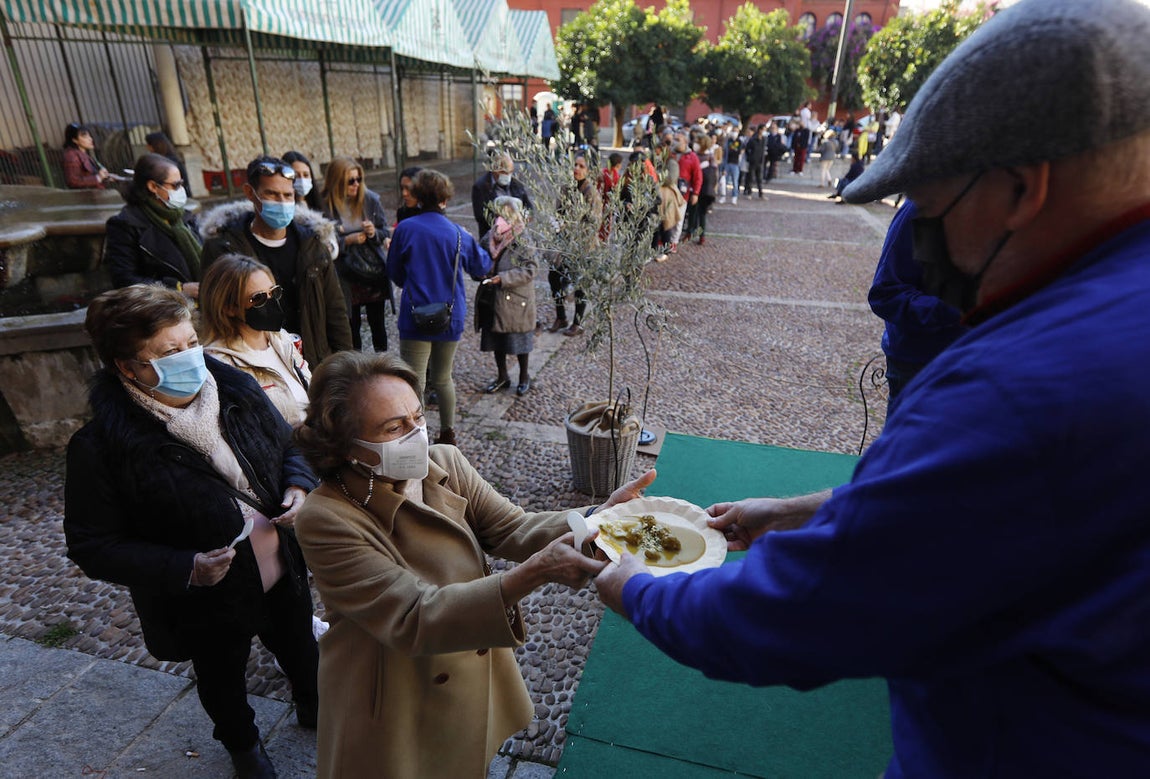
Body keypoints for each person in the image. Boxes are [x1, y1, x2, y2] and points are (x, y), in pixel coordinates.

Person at [595, 0, 1150, 774]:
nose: (923, 245)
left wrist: (631, 585)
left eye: (927, 211)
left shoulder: (1019, 388)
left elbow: (795, 616)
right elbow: (1007, 509)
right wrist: (804, 508)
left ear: (1023, 189)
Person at [292, 350, 653, 779]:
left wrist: (598, 520)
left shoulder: (442, 463)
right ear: (344, 445)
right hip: (391, 689)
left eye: (416, 416)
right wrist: (534, 572)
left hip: (465, 663)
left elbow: (510, 528)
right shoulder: (325, 517)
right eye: (394, 427)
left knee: (466, 758)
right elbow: (413, 616)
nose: (416, 434)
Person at [63, 284, 320, 779]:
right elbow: (92, 545)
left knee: (300, 649)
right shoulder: (101, 448)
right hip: (205, 599)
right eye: (168, 351)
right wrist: (185, 568)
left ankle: (312, 705)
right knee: (222, 677)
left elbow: (293, 445)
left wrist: (299, 485)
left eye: (189, 342)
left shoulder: (238, 389)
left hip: (282, 568)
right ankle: (243, 745)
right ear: (127, 366)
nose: (188, 358)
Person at [200, 155, 352, 368]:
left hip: (313, 361)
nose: (281, 202)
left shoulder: (312, 243)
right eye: (271, 194)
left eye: (287, 195)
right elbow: (213, 313)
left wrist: (344, 365)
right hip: (253, 364)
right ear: (250, 194)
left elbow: (335, 309)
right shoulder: (223, 249)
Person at [386, 169, 491, 446]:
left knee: (415, 380)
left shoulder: (406, 229)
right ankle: (448, 433)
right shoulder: (458, 233)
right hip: (449, 315)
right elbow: (481, 267)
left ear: (418, 196)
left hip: (415, 315)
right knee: (444, 378)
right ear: (445, 197)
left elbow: (394, 272)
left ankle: (417, 433)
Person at [867, 202, 966, 402]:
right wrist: (959, 308)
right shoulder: (927, 204)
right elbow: (886, 294)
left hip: (977, 363)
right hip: (921, 367)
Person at [200, 253, 312, 426]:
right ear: (229, 308)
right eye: (258, 298)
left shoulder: (281, 338)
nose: (270, 302)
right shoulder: (221, 364)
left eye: (274, 292)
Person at [103, 153, 202, 298]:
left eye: (181, 184)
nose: (181, 190)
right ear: (153, 187)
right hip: (164, 310)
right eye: (176, 185)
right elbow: (124, 280)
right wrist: (178, 288)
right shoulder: (125, 225)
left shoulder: (184, 217)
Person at [322, 156, 393, 354]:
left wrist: (373, 233)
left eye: (358, 179)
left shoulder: (370, 199)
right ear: (337, 182)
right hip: (344, 271)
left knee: (377, 321)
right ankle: (356, 364)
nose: (356, 185)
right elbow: (322, 241)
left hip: (371, 269)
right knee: (350, 324)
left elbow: (384, 232)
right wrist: (348, 241)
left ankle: (382, 361)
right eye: (350, 181)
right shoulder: (325, 204)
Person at [477, 196, 537, 396]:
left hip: (516, 299)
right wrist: (482, 272)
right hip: (492, 297)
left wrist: (503, 278)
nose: (500, 217)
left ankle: (524, 377)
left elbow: (530, 269)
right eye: (499, 212)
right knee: (496, 339)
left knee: (519, 340)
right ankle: (503, 376)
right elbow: (480, 258)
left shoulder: (523, 238)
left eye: (505, 213)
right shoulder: (491, 236)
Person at [547, 152, 600, 336]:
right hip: (564, 244)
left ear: (588, 170)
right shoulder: (566, 188)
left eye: (581, 166)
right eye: (575, 165)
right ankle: (561, 316)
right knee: (554, 277)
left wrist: (574, 224)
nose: (576, 169)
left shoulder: (590, 192)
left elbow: (594, 221)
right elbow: (558, 211)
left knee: (580, 283)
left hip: (582, 246)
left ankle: (577, 322)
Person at [471, 151, 533, 240]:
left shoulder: (516, 183)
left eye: (510, 172)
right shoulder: (480, 187)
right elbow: (480, 216)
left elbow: (529, 207)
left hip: (518, 238)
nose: (507, 175)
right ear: (494, 169)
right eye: (503, 172)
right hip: (492, 239)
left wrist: (524, 217)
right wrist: (503, 222)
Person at [62, 123, 110, 189]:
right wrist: (98, 178)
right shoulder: (71, 156)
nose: (90, 139)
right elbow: (72, 181)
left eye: (89, 136)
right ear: (75, 140)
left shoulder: (83, 154)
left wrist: (105, 177)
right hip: (86, 197)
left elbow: (90, 175)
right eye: (85, 136)